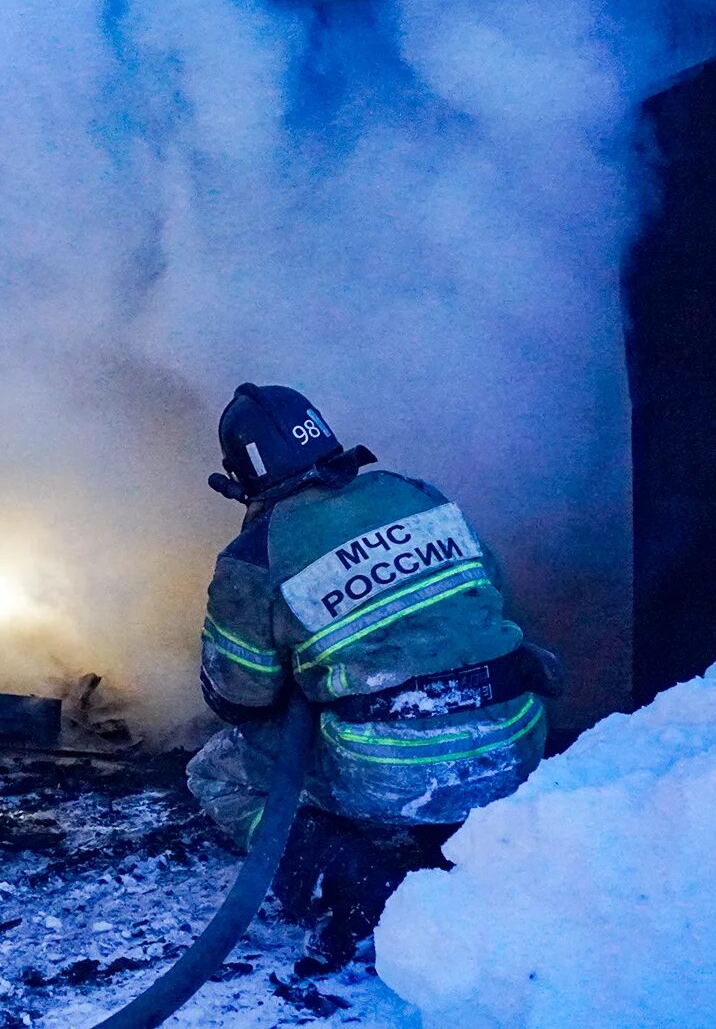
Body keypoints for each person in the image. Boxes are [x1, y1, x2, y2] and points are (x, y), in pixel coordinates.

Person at [184, 383, 562, 966]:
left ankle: (348, 878)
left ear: (242, 477)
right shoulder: (415, 494)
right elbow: (490, 595)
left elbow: (240, 697)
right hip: (515, 741)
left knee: (215, 775)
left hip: (393, 775)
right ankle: (457, 834)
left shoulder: (255, 556)